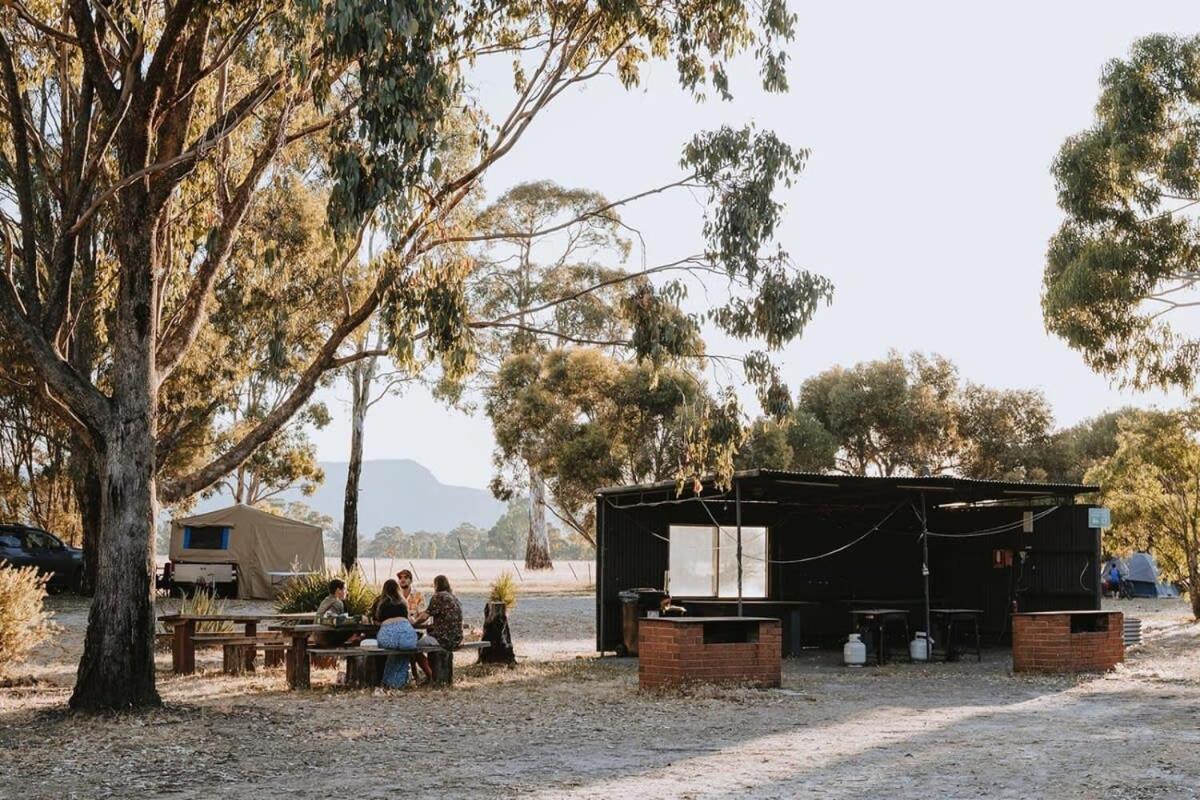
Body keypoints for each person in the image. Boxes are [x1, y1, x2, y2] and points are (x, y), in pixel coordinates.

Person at [375, 595, 417, 688]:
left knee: (392, 650)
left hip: (388, 637)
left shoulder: (381, 603)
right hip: (407, 638)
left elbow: (377, 621)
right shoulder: (403, 603)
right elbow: (411, 620)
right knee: (402, 652)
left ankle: (388, 682)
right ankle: (399, 681)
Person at [416, 574, 463, 650]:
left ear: (436, 585)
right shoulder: (454, 597)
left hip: (443, 640)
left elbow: (425, 616)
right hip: (457, 640)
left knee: (412, 644)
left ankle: (425, 662)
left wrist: (414, 623)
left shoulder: (438, 596)